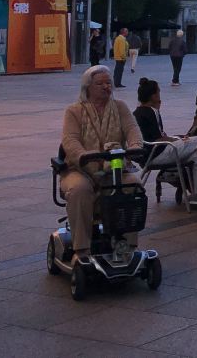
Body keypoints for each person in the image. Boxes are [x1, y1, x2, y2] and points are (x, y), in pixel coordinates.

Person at [59, 65, 143, 260]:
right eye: (100, 84)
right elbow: (70, 141)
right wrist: (84, 155)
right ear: (88, 87)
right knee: (79, 189)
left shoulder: (120, 107)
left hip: (113, 167)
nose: (106, 87)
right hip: (79, 169)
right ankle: (82, 249)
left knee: (133, 185)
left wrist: (135, 147)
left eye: (108, 83)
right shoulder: (74, 111)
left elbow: (132, 130)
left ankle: (127, 244)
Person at [133, 77, 197, 203]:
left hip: (150, 153)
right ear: (153, 96)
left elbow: (156, 135)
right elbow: (159, 138)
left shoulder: (138, 112)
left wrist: (177, 138)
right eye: (158, 92)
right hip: (157, 153)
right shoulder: (150, 112)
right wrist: (177, 141)